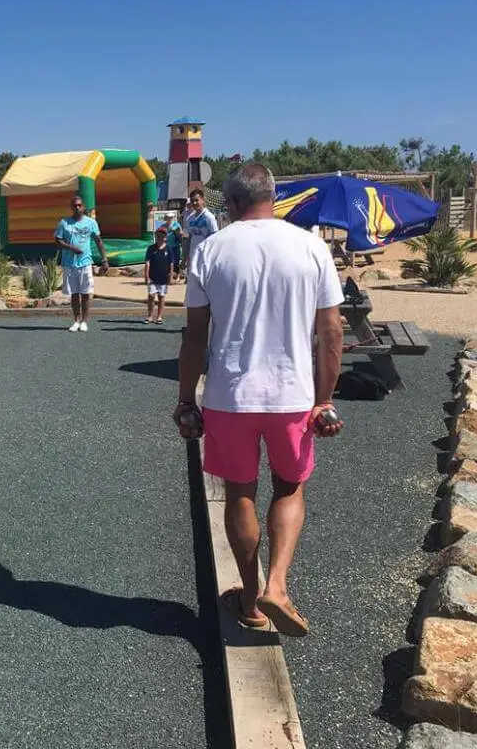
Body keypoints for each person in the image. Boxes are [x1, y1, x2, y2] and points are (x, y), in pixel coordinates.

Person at [174, 162, 345, 637]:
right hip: (292, 395)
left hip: (230, 396)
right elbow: (331, 331)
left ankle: (250, 602)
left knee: (240, 494)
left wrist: (186, 398)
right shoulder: (311, 247)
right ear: (274, 197)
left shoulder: (210, 249)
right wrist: (323, 399)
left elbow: (194, 337)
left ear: (228, 204)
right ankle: (277, 586)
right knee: (289, 488)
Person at [54, 195, 108, 332]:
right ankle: (76, 320)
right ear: (71, 207)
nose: (77, 208)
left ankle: (84, 321)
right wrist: (71, 248)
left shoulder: (91, 223)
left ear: (83, 207)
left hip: (85, 263)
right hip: (69, 263)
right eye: (75, 205)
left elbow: (98, 241)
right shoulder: (64, 223)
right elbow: (58, 240)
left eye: (79, 205)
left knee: (85, 293)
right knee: (74, 294)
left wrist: (104, 260)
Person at [184, 188, 218, 278]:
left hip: (205, 256)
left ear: (203, 200)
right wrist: (186, 255)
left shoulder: (209, 217)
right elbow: (189, 237)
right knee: (193, 283)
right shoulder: (190, 218)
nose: (194, 203)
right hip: (193, 255)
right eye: (192, 201)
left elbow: (215, 237)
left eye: (196, 200)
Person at [144, 227, 172, 324]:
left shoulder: (168, 248)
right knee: (151, 296)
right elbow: (147, 262)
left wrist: (171, 276)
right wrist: (146, 276)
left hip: (163, 277)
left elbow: (171, 263)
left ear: (166, 237)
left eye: (163, 235)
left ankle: (159, 316)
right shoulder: (151, 248)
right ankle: (149, 315)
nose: (160, 237)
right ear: (156, 235)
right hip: (152, 277)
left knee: (161, 296)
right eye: (159, 235)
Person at [163, 212, 185, 281]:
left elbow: (181, 233)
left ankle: (178, 276)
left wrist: (177, 232)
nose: (169, 219)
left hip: (176, 246)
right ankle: (170, 276)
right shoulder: (163, 226)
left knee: (176, 261)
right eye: (168, 217)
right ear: (165, 218)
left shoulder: (177, 225)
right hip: (167, 246)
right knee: (168, 261)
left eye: (171, 217)